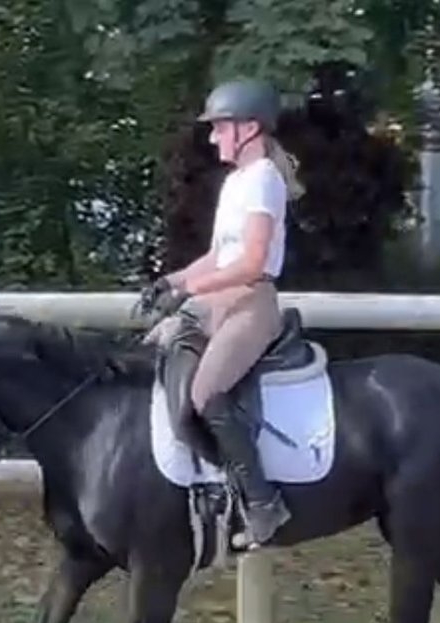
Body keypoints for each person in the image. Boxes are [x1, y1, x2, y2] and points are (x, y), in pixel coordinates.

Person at [139, 78, 306, 548]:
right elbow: (217, 257)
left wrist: (189, 289)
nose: (213, 138)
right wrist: (169, 282)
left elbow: (250, 262)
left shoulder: (264, 182)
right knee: (163, 359)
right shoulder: (236, 183)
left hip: (251, 303)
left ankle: (262, 503)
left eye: (220, 128)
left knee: (207, 390)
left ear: (250, 128)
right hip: (219, 302)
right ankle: (207, 490)